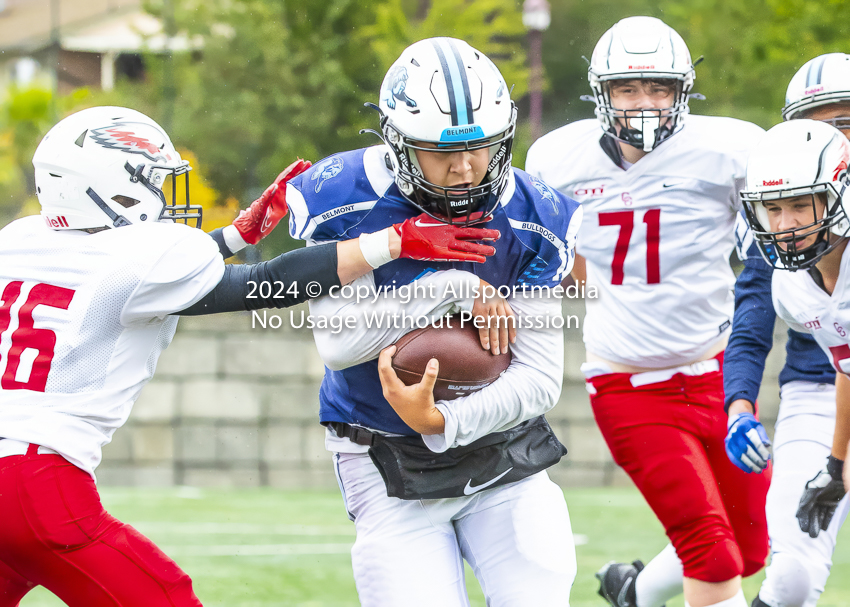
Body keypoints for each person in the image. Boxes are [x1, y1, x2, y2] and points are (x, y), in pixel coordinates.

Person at [0, 105, 499, 606]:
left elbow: (125, 278)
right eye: (152, 182)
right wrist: (391, 242)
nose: (163, 195)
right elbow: (263, 286)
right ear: (113, 188)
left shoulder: (21, 241)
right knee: (167, 597)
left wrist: (237, 235)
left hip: (18, 478)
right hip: (36, 487)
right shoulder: (133, 261)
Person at [287, 37, 583, 606]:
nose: (465, 166)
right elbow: (340, 342)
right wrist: (454, 287)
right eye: (440, 150)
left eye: (480, 146)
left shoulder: (528, 212)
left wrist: (443, 419)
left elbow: (540, 379)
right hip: (382, 454)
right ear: (398, 144)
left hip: (501, 448)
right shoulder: (348, 198)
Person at [526, 16, 769, 607]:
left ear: (683, 92)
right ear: (601, 93)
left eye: (659, 88)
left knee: (752, 550)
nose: (644, 103)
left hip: (715, 375)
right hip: (629, 385)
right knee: (710, 552)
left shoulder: (730, 150)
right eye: (629, 89)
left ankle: (634, 593)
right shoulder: (558, 159)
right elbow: (541, 255)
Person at [723, 52, 850, 607]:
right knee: (794, 574)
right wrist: (739, 408)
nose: (830, 138)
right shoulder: (784, 226)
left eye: (844, 123)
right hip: (820, 389)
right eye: (814, 126)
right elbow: (751, 325)